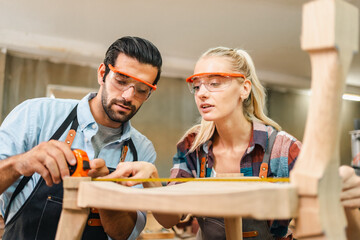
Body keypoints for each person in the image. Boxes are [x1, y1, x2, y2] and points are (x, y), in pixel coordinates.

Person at [105, 46, 360, 240]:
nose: (202, 93)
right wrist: (151, 179)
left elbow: (335, 225)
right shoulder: (193, 146)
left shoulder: (282, 149)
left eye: (214, 83)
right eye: (197, 86)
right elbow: (171, 217)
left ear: (244, 89)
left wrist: (345, 196)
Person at [0, 36, 162, 240]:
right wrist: (19, 164)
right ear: (103, 73)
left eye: (141, 90)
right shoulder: (36, 115)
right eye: (121, 81)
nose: (128, 96)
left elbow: (123, 235)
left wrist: (106, 193)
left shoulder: (142, 151)